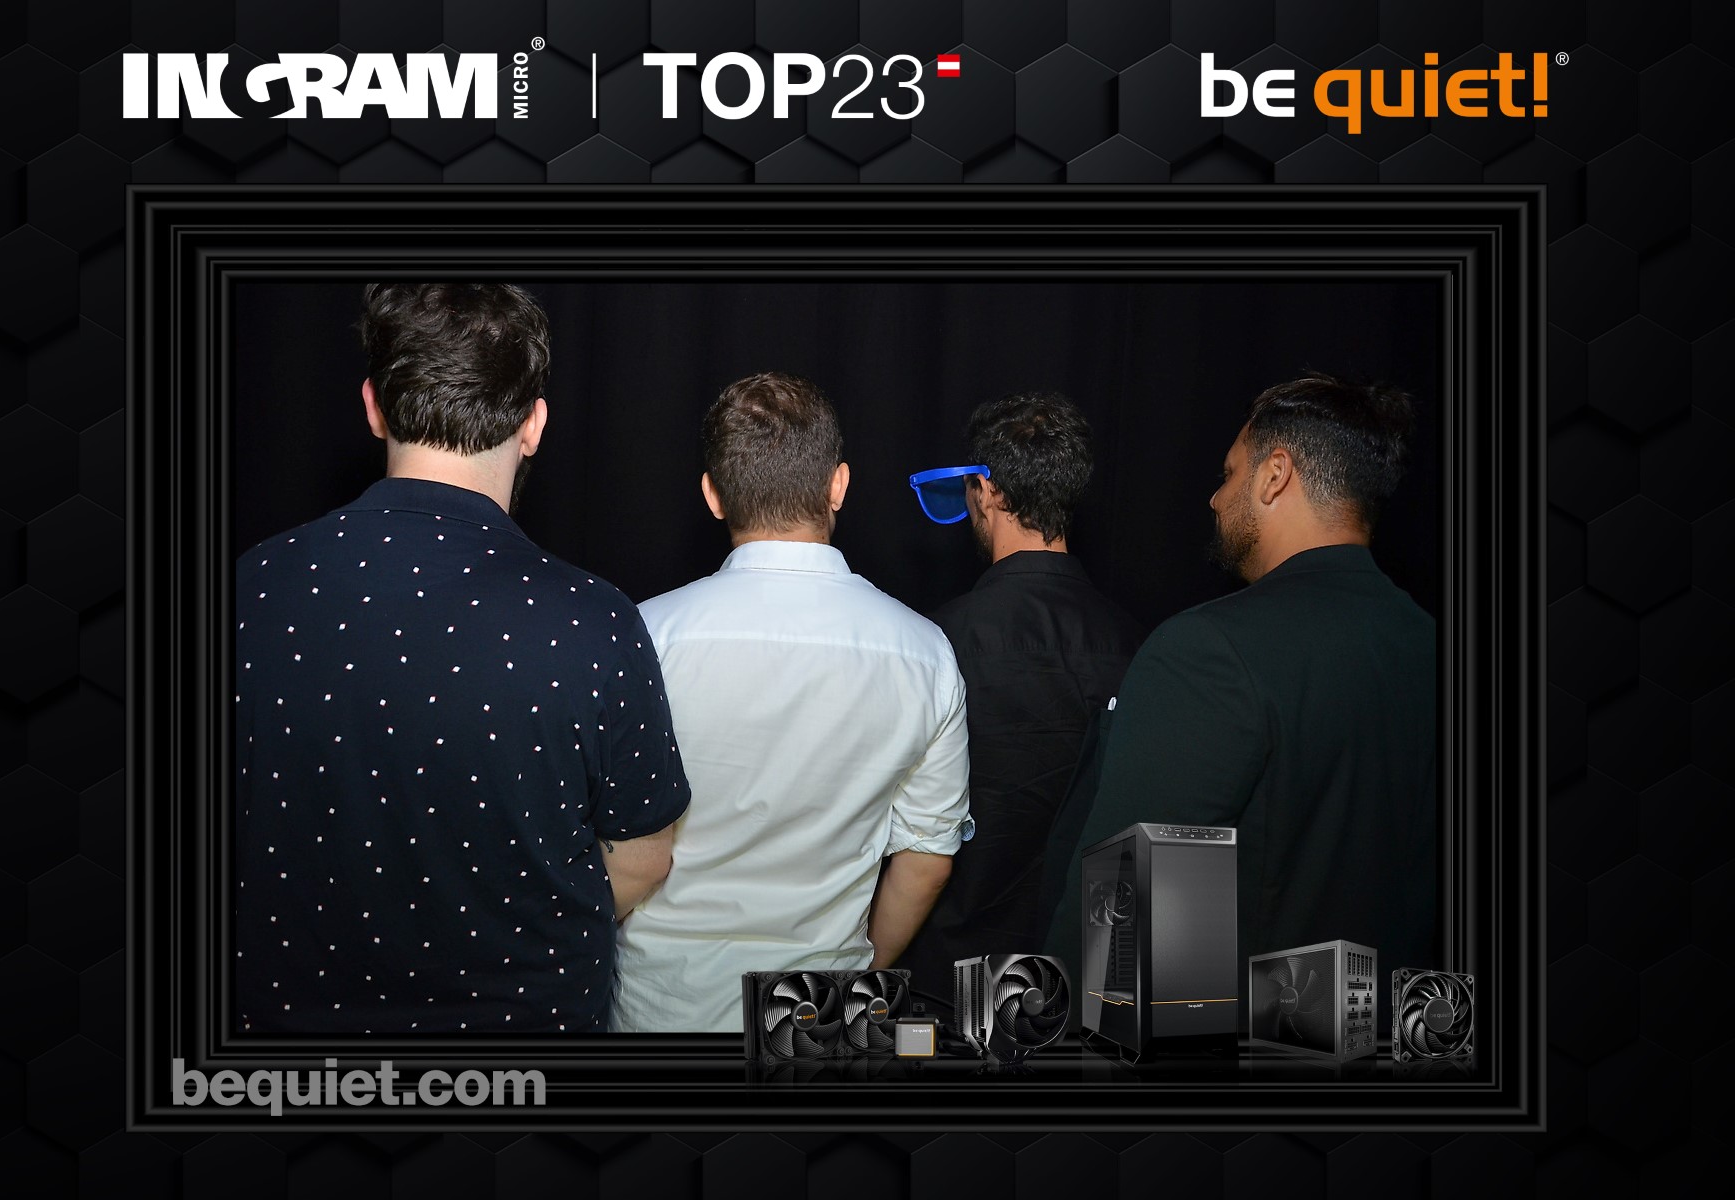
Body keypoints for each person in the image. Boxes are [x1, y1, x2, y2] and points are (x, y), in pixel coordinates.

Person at [234, 283, 690, 1033]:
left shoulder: (247, 589)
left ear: (373, 406)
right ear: (534, 424)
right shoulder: (595, 619)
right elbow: (642, 858)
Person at [1046, 372, 1436, 1002]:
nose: (1214, 498)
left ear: (1274, 475)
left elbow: (1122, 935)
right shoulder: (1427, 642)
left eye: (1229, 474)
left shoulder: (1211, 649)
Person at [612, 371, 973, 1033]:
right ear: (839, 485)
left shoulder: (644, 636)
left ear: (713, 495)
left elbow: (609, 838)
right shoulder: (925, 652)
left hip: (661, 1007)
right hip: (823, 1018)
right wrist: (858, 975)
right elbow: (926, 862)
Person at [896, 393, 1143, 1011]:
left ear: (988, 491)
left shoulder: (937, 641)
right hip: (1085, 980)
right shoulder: (1137, 644)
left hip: (951, 978)